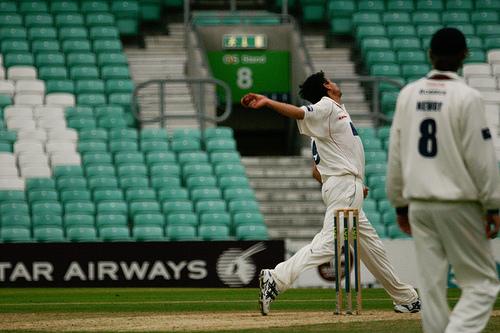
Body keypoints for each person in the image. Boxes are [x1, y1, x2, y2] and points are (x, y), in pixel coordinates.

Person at [241, 71, 421, 316]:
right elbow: (301, 112)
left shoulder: (327, 122)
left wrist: (350, 179)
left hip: (344, 186)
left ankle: (406, 298)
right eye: (330, 80)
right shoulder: (326, 107)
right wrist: (269, 102)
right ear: (327, 86)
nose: (335, 82)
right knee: (331, 243)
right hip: (344, 187)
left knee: (371, 247)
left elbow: (316, 171)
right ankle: (276, 277)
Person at [386, 27, 500, 333]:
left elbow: (395, 153)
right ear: (464, 56)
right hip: (458, 203)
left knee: (432, 290)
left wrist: (399, 204)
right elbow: (481, 158)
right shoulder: (468, 96)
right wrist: (492, 206)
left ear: (430, 55)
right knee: (483, 284)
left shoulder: (408, 94)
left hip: (419, 204)